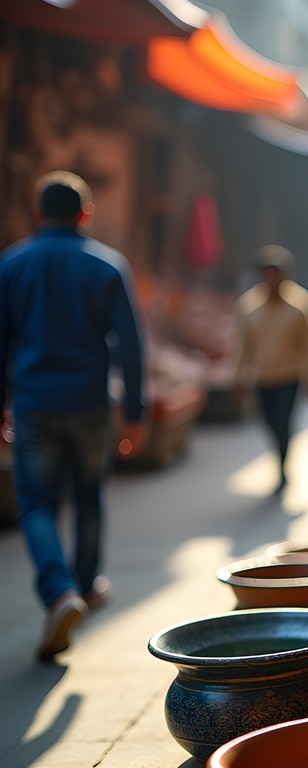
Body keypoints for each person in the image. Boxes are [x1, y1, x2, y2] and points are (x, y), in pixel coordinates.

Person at [0, 170, 148, 660]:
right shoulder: (107, 266)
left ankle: (58, 589)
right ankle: (86, 586)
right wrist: (135, 412)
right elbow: (130, 344)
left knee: (36, 503)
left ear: (40, 212)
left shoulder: (11, 265)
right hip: (90, 403)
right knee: (88, 495)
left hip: (34, 404)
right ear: (85, 213)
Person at [234, 245, 308, 493]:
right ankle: (279, 456)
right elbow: (243, 344)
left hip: (289, 375)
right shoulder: (249, 305)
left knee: (282, 421)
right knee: (268, 422)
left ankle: (282, 469)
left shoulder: (302, 304)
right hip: (262, 376)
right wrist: (239, 375)